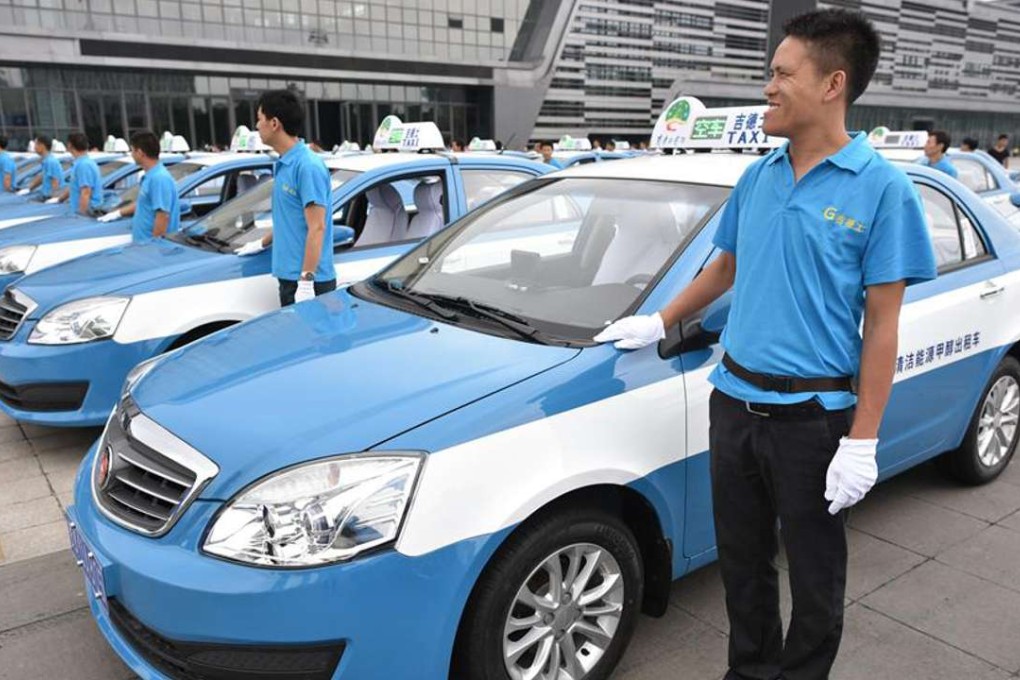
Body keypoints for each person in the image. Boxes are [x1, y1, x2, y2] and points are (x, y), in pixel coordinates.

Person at [595, 9, 935, 680]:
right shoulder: (760, 176)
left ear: (833, 83)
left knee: (815, 578)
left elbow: (884, 326)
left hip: (813, 422)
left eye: (782, 73)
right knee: (743, 565)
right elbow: (723, 267)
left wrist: (863, 439)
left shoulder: (882, 189)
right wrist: (659, 321)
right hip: (735, 405)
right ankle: (748, 672)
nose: (768, 88)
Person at [234, 89, 335, 307]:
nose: (257, 126)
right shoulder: (283, 163)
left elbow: (317, 228)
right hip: (290, 277)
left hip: (308, 281)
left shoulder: (307, 166)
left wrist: (306, 281)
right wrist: (261, 242)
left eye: (260, 119)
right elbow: (290, 219)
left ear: (274, 123)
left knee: (312, 340)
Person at [124, 130, 179, 243]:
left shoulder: (159, 178)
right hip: (143, 246)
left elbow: (162, 217)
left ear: (140, 152)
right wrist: (117, 213)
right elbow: (144, 203)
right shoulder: (151, 176)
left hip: (150, 249)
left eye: (132, 151)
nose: (132, 154)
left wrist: (153, 248)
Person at [55, 132, 105, 215]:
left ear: (70, 145)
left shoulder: (84, 165)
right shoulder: (81, 163)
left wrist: (81, 216)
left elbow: (86, 192)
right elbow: (74, 186)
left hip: (86, 213)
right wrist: (60, 199)